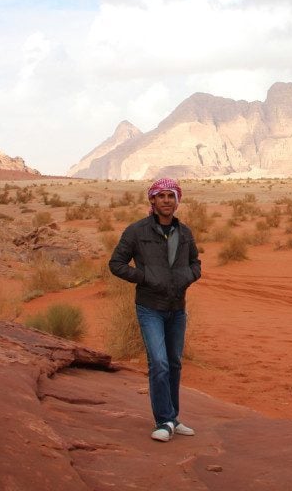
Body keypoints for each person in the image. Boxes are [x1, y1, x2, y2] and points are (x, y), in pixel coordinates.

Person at [109, 178, 202, 442]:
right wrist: (145, 277)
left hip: (177, 308)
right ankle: (163, 420)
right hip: (150, 307)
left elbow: (196, 263)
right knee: (159, 363)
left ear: (177, 201)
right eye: (161, 196)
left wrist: (186, 276)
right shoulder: (137, 231)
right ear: (152, 200)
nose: (166, 201)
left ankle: (172, 418)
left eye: (171, 196)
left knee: (174, 363)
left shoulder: (184, 233)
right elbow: (116, 264)